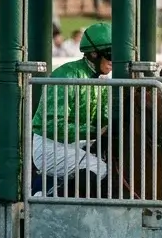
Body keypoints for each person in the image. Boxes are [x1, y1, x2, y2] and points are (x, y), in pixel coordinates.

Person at [29, 21, 113, 180]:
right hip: (51, 147)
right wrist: (95, 131)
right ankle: (49, 198)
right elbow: (54, 125)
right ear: (94, 54)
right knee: (102, 170)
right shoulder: (66, 75)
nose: (113, 61)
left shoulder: (102, 80)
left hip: (77, 144)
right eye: (110, 54)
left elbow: (104, 119)